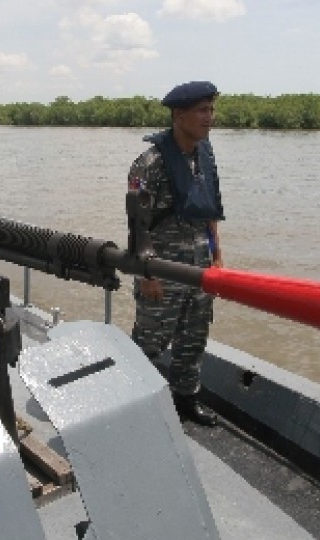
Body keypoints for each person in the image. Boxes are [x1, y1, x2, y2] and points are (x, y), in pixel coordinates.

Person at [127, 81, 224, 426]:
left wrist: (217, 259)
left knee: (193, 342)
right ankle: (133, 407)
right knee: (149, 344)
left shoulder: (204, 156)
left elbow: (210, 212)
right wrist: (146, 274)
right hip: (163, 272)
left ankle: (186, 402)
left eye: (211, 110)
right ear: (178, 114)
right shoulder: (150, 163)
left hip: (199, 271)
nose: (209, 117)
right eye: (201, 110)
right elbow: (137, 226)